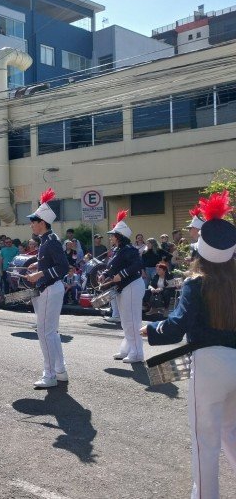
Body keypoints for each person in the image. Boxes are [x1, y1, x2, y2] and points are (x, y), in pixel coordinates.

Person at [141, 191, 236, 499]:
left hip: (208, 367)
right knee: (231, 432)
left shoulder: (196, 283)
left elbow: (175, 327)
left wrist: (150, 329)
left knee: (204, 441)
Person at [25, 188, 69, 389]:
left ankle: (49, 375)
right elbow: (50, 262)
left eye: (33, 221)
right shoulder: (46, 241)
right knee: (51, 332)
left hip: (50, 288)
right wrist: (38, 265)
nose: (31, 225)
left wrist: (39, 273)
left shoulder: (50, 242)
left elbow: (63, 267)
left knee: (46, 333)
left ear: (42, 223)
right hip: (51, 289)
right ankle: (59, 371)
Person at [102, 211, 146, 363]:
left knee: (133, 320)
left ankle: (137, 353)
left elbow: (138, 265)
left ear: (119, 236)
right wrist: (105, 274)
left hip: (132, 285)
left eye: (113, 235)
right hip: (124, 287)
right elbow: (112, 267)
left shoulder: (130, 250)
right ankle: (128, 348)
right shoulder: (117, 250)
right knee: (125, 320)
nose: (111, 237)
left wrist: (122, 274)